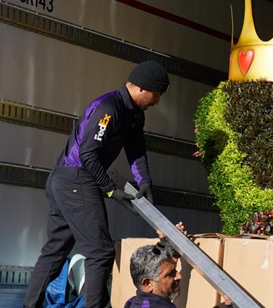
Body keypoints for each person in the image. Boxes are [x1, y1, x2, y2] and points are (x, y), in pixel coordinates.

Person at [23, 61, 170, 308]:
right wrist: (111, 190)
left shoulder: (134, 114)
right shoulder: (108, 108)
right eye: (156, 95)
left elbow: (136, 150)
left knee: (56, 250)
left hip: (66, 181)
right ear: (143, 88)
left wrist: (144, 181)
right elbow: (88, 154)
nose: (157, 101)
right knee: (101, 251)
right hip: (75, 179)